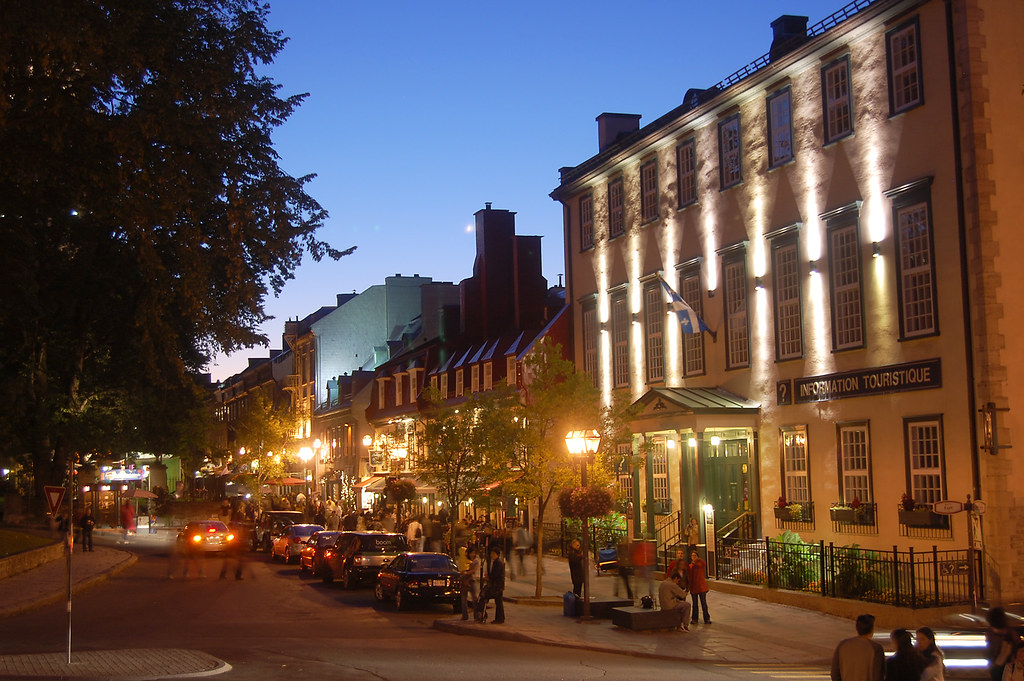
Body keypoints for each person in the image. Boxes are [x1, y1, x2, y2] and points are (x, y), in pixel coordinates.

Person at [830, 614, 885, 681]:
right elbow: (878, 675)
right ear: (872, 630)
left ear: (856, 628)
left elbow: (834, 673)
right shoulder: (876, 648)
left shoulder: (843, 645)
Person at [986, 607, 1020, 681]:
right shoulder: (1011, 633)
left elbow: (990, 650)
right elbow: (1018, 648)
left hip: (997, 666)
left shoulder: (990, 633)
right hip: (1009, 666)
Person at [476, 545, 505, 624]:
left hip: (496, 586)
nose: (492, 555)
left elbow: (495, 575)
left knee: (486, 597)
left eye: (493, 554)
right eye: (491, 554)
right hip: (498, 586)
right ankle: (500, 618)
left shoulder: (498, 563)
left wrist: (489, 578)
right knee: (499, 602)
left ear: (497, 554)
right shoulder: (496, 562)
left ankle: (485, 615)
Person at [688, 549, 711, 624]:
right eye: (692, 556)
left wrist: (697, 561)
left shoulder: (700, 563)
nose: (694, 557)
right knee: (695, 604)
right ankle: (695, 619)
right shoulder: (690, 566)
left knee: (703, 603)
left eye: (695, 555)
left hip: (701, 587)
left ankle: (706, 618)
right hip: (694, 587)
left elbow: (703, 564)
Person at [459, 545, 480, 621]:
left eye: (474, 553)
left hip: (472, 580)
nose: (472, 555)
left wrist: (467, 573)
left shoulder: (476, 561)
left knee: (475, 598)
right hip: (464, 580)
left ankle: (476, 616)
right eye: (471, 553)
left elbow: (474, 570)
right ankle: (465, 615)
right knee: (463, 599)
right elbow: (461, 568)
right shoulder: (464, 559)